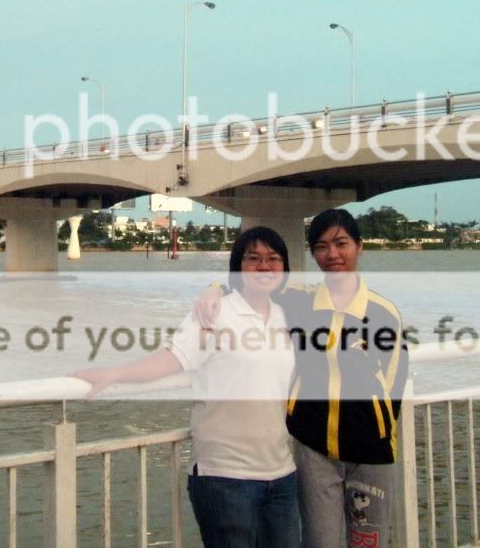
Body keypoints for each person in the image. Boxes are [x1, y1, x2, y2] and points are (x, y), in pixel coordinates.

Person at [72, 226, 300, 548]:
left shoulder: (286, 316)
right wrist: (115, 372)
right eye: (253, 258)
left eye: (273, 259)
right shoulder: (214, 313)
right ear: (237, 266)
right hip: (225, 477)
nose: (264, 266)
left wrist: (213, 286)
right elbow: (171, 359)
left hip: (281, 475)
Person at [197, 209, 408, 548]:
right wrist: (214, 289)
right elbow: (253, 283)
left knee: (368, 541)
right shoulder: (299, 301)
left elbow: (394, 380)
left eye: (341, 244)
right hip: (314, 449)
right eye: (321, 247)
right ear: (313, 253)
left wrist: (380, 430)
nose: (332, 254)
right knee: (319, 541)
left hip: (371, 452)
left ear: (359, 247)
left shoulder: (383, 313)